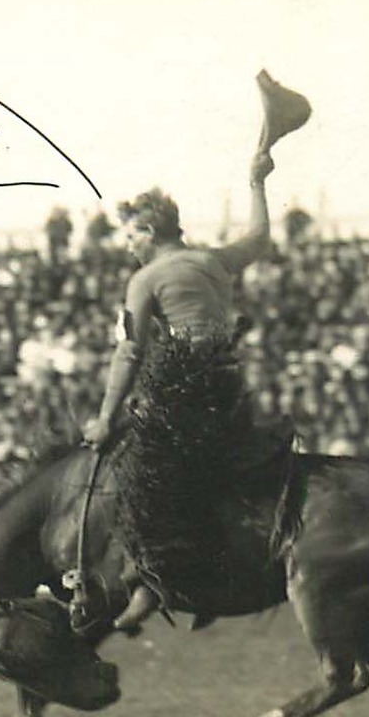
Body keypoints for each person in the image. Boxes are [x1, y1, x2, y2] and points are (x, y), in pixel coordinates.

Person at [78, 149, 281, 631]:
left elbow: (129, 352)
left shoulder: (145, 279)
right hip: (228, 386)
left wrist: (105, 417)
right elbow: (259, 238)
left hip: (185, 388)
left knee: (140, 478)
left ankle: (155, 584)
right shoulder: (212, 260)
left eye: (131, 236)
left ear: (148, 233)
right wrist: (257, 183)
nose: (127, 245)